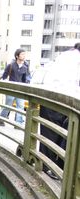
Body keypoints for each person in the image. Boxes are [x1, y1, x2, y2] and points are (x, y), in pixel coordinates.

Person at [38, 43, 80, 179]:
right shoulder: (75, 60)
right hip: (63, 100)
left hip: (49, 97)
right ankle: (52, 168)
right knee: (57, 136)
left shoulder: (64, 56)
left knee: (48, 134)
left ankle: (45, 167)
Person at [0, 48, 30, 126]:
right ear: (17, 56)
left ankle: (18, 123)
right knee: (8, 106)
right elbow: (4, 76)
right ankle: (1, 119)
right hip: (11, 89)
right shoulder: (11, 65)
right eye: (22, 54)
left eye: (24, 54)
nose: (24, 56)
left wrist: (27, 84)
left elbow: (26, 78)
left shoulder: (25, 67)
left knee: (21, 106)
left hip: (20, 90)